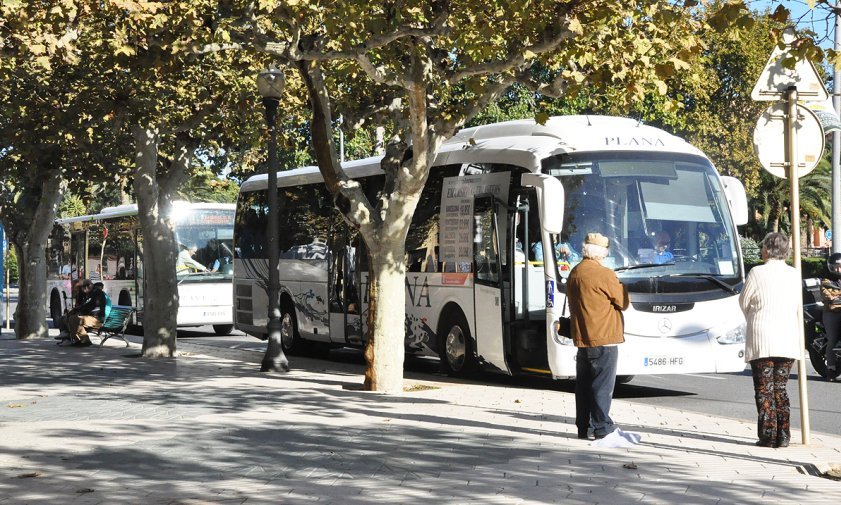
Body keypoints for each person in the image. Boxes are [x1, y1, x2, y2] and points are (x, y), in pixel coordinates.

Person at [739, 232, 801, 448]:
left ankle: (767, 435)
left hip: (762, 336)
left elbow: (744, 301)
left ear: (767, 249)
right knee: (781, 388)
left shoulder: (757, 272)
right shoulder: (794, 274)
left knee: (764, 388)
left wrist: (754, 317)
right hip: (787, 336)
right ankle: (784, 435)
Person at [566, 232, 629, 440]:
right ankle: (602, 427)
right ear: (600, 253)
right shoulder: (604, 274)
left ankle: (583, 427)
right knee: (602, 384)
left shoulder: (575, 272)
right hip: (604, 337)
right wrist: (622, 285)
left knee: (583, 385)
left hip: (582, 337)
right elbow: (623, 302)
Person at [65, 280, 111, 346]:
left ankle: (85, 341)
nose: (82, 289)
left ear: (89, 285)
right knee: (68, 317)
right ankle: (76, 340)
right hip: (90, 317)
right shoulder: (89, 293)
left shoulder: (98, 293)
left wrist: (78, 309)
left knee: (75, 319)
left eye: (83, 287)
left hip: (97, 319)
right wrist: (75, 310)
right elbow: (84, 305)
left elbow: (91, 305)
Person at [820, 252, 841, 381]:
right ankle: (831, 369)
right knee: (832, 339)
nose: (838, 269)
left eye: (840, 266)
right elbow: (829, 296)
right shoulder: (826, 281)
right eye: (836, 266)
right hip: (832, 313)